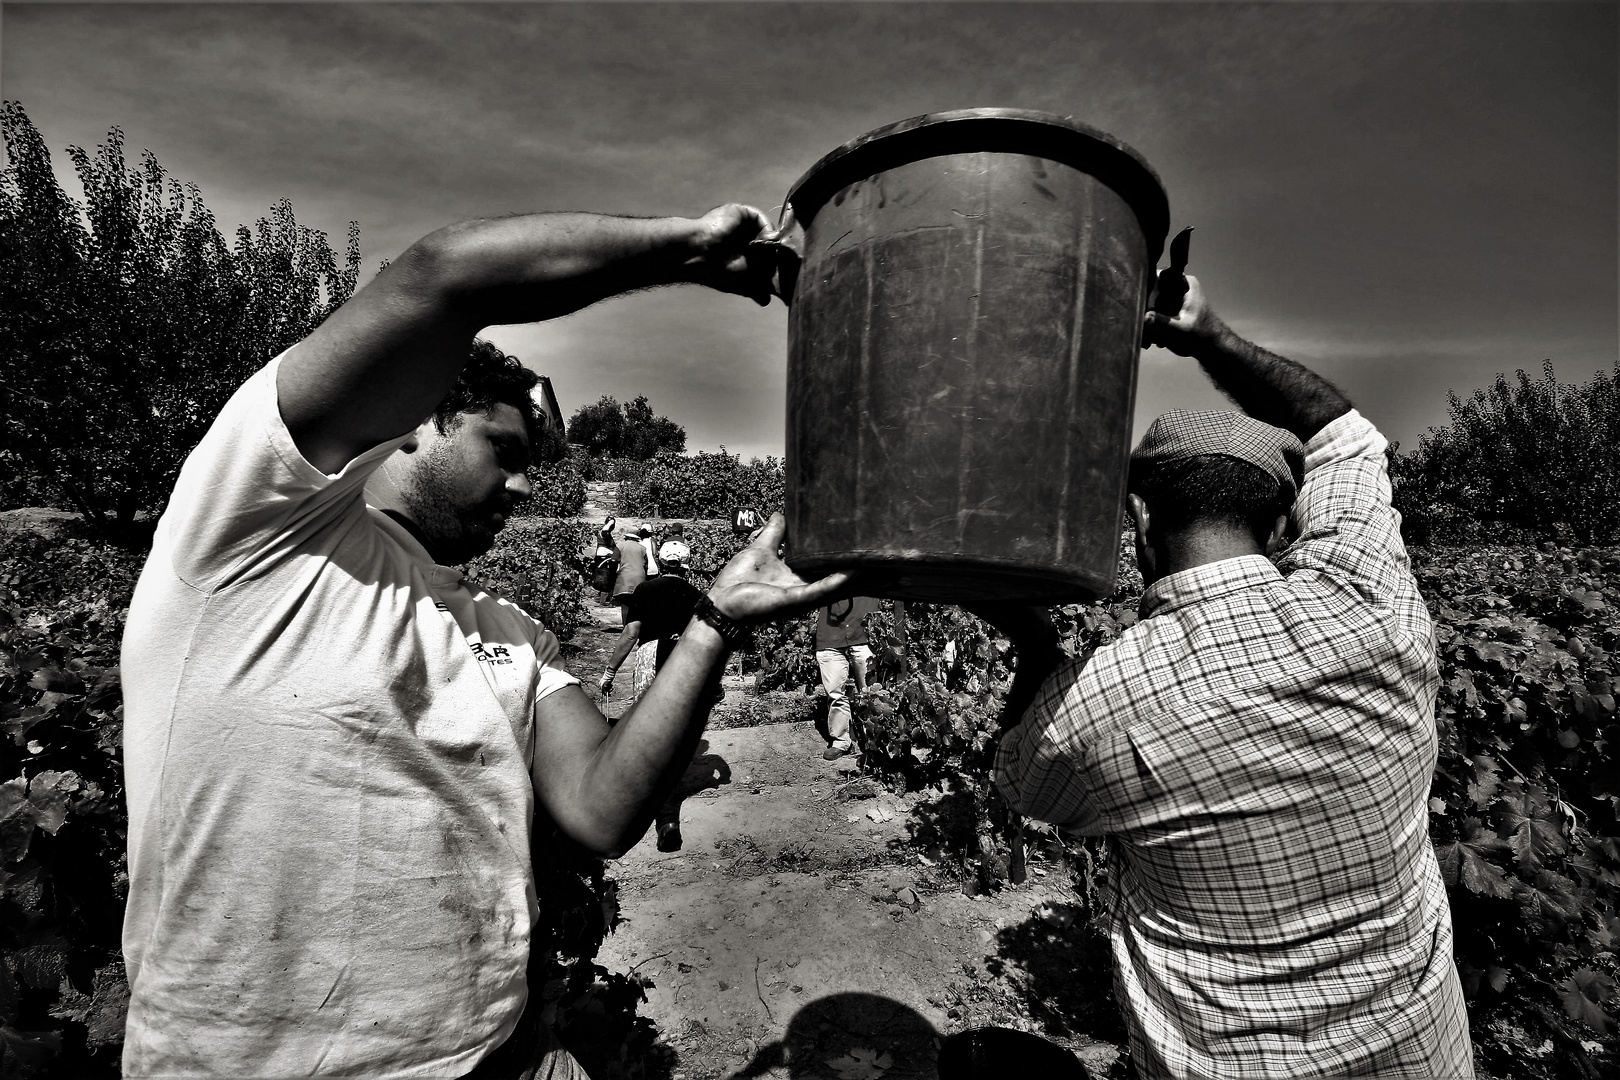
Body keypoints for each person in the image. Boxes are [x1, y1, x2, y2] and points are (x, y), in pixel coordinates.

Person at [119, 204, 853, 1078]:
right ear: (415, 420)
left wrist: (717, 623)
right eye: (500, 448)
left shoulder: (506, 629)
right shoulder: (257, 532)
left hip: (498, 1053)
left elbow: (598, 809)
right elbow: (443, 278)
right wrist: (690, 249)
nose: (518, 486)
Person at [985, 271, 1473, 1078]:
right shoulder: (1372, 605)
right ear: (1283, 522)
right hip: (1424, 1055)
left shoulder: (1101, 697)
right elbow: (1343, 436)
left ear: (1139, 520)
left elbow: (1020, 783)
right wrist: (1213, 336)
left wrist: (1036, 645)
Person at [596, 540, 708, 852]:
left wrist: (610, 670)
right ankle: (668, 814)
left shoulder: (645, 591)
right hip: (684, 664)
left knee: (648, 732)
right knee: (676, 734)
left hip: (651, 657)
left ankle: (649, 806)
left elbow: (631, 632)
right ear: (686, 564)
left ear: (660, 560)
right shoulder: (697, 596)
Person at [814, 597, 884, 761]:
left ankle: (874, 742)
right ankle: (841, 741)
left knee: (870, 693)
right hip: (830, 636)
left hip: (863, 632)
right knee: (835, 694)